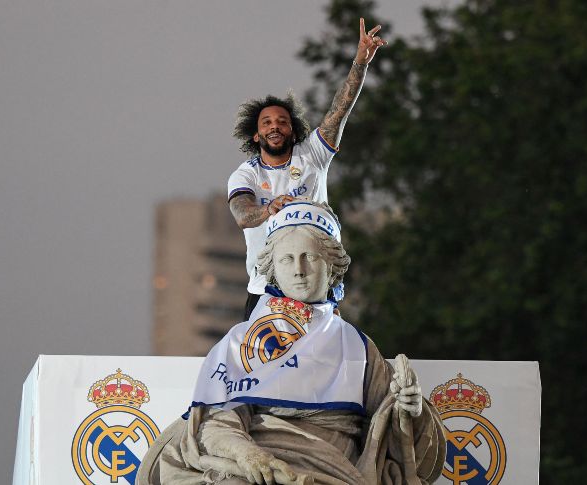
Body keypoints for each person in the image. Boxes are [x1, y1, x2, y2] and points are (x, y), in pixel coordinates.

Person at [136, 202, 446, 485]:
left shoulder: (358, 347)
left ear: (332, 266)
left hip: (333, 470)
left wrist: (411, 410)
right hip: (257, 466)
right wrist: (247, 455)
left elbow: (395, 437)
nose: (298, 270)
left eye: (309, 257)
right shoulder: (241, 341)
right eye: (287, 259)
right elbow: (217, 421)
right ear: (273, 268)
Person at [228, 18, 388, 320]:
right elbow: (241, 214)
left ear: (293, 129)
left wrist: (360, 64)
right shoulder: (245, 174)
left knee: (324, 360)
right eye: (267, 123)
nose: (275, 126)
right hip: (266, 290)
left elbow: (339, 110)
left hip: (318, 285)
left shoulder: (312, 153)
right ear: (256, 135)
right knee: (265, 365)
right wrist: (268, 209)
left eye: (282, 121)